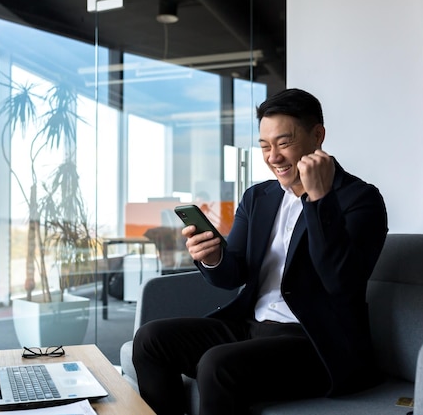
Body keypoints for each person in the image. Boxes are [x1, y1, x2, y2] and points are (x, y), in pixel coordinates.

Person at [132, 88, 388, 415]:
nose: (273, 157)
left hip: (316, 342)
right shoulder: (258, 197)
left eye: (283, 143)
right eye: (265, 146)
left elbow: (341, 282)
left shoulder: (360, 199)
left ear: (318, 135)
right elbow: (234, 273)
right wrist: (213, 258)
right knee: (150, 339)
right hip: (252, 327)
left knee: (216, 364)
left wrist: (319, 199)